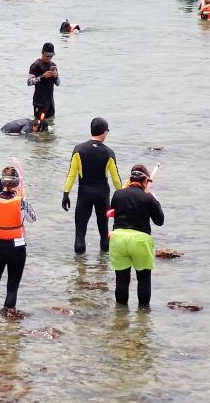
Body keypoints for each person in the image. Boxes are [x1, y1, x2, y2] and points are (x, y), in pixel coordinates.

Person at [61, 117, 122, 254]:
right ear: (105, 132)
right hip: (102, 195)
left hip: (84, 194)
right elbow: (116, 179)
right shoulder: (108, 152)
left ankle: (80, 270)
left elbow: (71, 174)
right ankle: (103, 268)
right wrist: (122, 196)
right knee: (104, 233)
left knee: (80, 235)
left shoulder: (78, 150)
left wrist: (66, 194)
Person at [0, 165, 36, 310]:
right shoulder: (21, 202)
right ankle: (8, 319)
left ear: (2, 182)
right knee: (12, 287)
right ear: (17, 183)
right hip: (15, 248)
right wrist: (23, 198)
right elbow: (32, 218)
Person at [109, 164, 164, 308]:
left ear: (130, 178)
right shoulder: (149, 197)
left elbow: (113, 212)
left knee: (121, 279)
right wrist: (155, 200)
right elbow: (160, 221)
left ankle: (120, 318)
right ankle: (143, 318)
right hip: (140, 240)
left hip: (118, 238)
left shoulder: (118, 194)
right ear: (146, 181)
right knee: (144, 279)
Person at [27, 43, 59, 119]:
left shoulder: (53, 65)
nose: (49, 58)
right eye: (47, 55)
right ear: (42, 52)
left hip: (50, 102)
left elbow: (58, 83)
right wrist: (43, 76)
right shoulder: (36, 65)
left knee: (51, 124)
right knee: (38, 125)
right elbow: (29, 82)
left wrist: (56, 76)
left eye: (51, 56)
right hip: (39, 102)